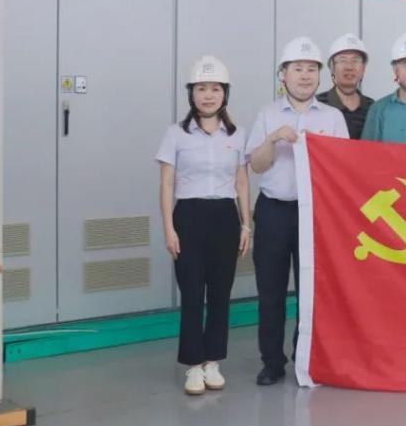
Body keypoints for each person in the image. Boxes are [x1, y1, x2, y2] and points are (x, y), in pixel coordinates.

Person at [247, 37, 349, 385]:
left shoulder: (333, 118)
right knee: (271, 290)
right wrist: (272, 138)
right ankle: (272, 361)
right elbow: (256, 166)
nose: (305, 76)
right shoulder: (267, 114)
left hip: (316, 215)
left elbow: (343, 168)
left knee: (312, 290)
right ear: (283, 75)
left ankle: (306, 358)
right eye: (297, 69)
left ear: (320, 76)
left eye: (311, 69)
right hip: (274, 211)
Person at [156, 55, 251, 395]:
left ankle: (213, 362)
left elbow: (242, 181)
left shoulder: (237, 134)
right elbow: (166, 183)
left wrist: (246, 225)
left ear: (225, 93)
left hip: (225, 217)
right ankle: (193, 366)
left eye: (215, 89)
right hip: (189, 217)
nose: (208, 95)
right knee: (193, 293)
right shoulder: (176, 134)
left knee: (221, 294)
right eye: (201, 88)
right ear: (191, 94)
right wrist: (169, 228)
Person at [317, 33, 374, 139]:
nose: (349, 67)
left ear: (363, 68)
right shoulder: (317, 104)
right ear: (332, 68)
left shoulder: (373, 108)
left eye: (355, 61)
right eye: (342, 60)